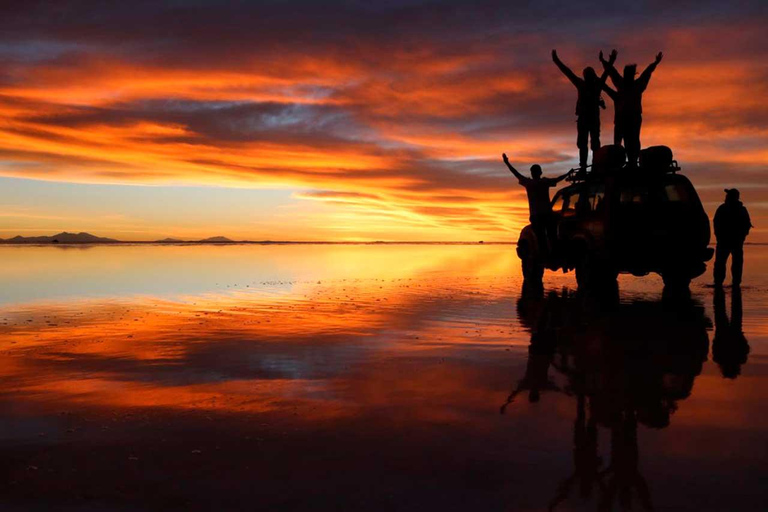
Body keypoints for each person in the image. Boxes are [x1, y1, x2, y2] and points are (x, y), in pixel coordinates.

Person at [552, 49, 617, 169]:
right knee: (586, 144)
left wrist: (612, 60)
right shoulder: (588, 85)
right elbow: (568, 72)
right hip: (587, 119)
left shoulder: (588, 85)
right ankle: (585, 166)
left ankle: (592, 166)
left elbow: (605, 73)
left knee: (592, 144)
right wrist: (556, 61)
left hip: (589, 119)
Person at [599, 51, 663, 166]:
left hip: (631, 118)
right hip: (624, 118)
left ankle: (632, 162)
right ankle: (625, 161)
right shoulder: (628, 84)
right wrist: (605, 61)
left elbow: (646, 73)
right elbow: (612, 72)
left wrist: (655, 63)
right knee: (624, 141)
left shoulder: (633, 85)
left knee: (631, 141)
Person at [503, 153, 570, 253]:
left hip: (538, 216)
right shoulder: (543, 182)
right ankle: (552, 253)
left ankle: (547, 254)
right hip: (544, 216)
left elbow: (516, 174)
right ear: (540, 172)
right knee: (550, 235)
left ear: (532, 173)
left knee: (542, 237)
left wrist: (507, 163)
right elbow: (558, 179)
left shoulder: (530, 183)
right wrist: (567, 174)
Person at [713, 188, 752, 286]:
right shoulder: (723, 208)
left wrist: (742, 236)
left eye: (728, 195)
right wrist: (718, 236)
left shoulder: (739, 210)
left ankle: (733, 283)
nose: (726, 197)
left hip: (733, 241)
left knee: (733, 263)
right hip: (725, 241)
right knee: (722, 263)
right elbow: (716, 223)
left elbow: (746, 225)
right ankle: (720, 283)